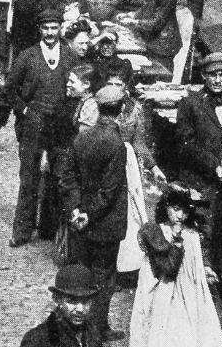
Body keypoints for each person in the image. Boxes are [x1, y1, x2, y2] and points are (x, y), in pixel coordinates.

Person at [61, 85, 132, 341]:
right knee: (104, 279)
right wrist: (89, 213)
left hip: (80, 223)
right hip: (105, 224)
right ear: (122, 110)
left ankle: (78, 329)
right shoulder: (117, 144)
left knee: (83, 276)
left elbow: (67, 177)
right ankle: (96, 333)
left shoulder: (81, 137)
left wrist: (76, 209)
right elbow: (110, 190)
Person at [173, 52, 222, 285]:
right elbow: (186, 144)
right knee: (203, 229)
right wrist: (214, 166)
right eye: (212, 75)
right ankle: (198, 281)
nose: (218, 80)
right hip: (202, 180)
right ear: (203, 76)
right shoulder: (190, 103)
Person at [9, 2, 72, 247]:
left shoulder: (69, 56)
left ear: (60, 29)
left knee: (58, 176)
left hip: (60, 127)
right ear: (39, 29)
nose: (49, 33)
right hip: (33, 125)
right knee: (29, 177)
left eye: (53, 28)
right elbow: (9, 90)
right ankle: (22, 230)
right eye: (45, 28)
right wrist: (24, 110)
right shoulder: (27, 56)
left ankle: (48, 227)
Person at [130, 188, 222, 347]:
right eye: (176, 209)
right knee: (165, 326)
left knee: (187, 326)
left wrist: (205, 268)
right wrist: (176, 241)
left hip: (188, 288)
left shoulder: (192, 234)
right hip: (164, 287)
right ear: (166, 207)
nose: (180, 215)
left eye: (185, 211)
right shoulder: (157, 232)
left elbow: (198, 257)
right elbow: (168, 268)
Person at [20, 264, 105, 347]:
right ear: (57, 300)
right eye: (73, 301)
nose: (80, 309)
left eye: (86, 301)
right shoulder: (38, 339)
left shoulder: (92, 334)